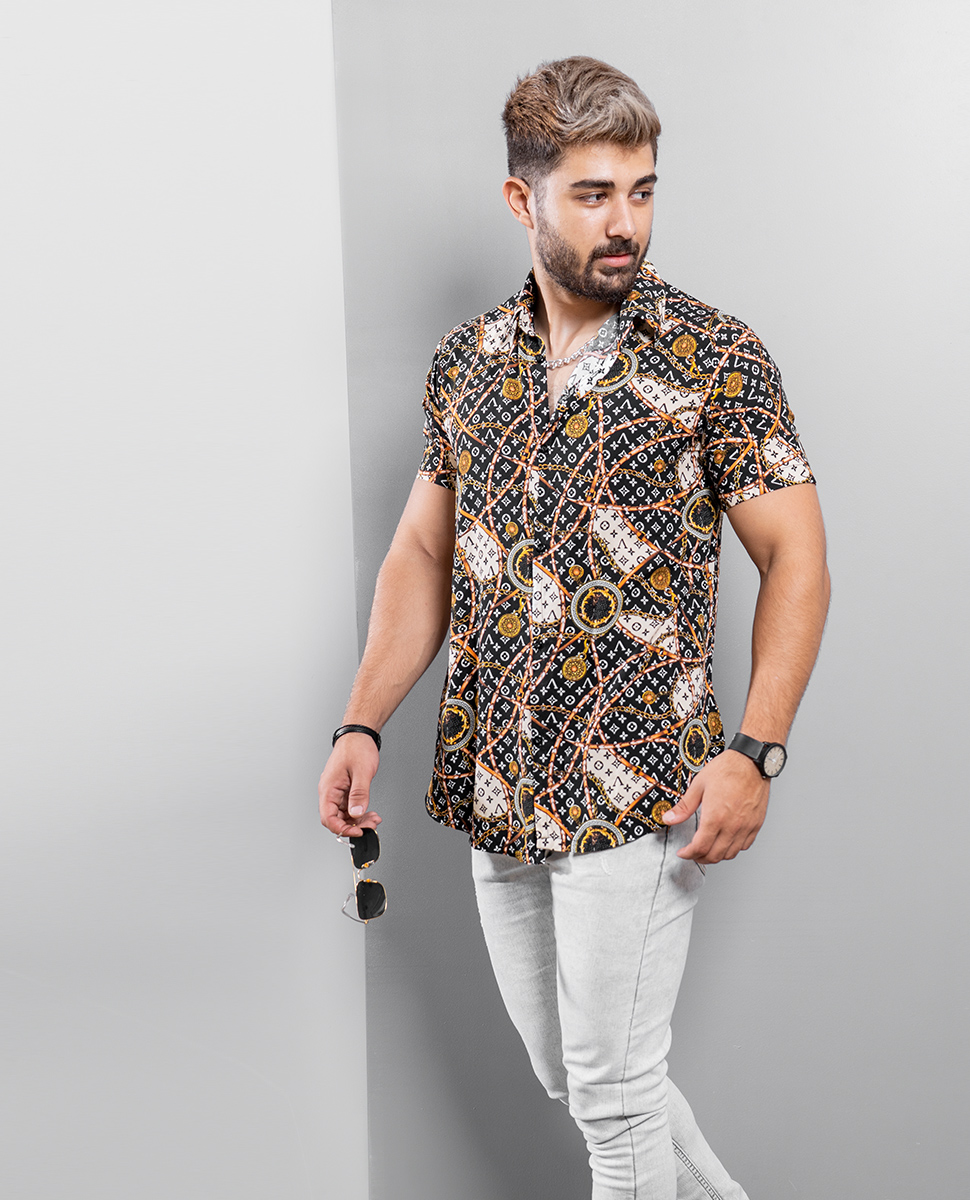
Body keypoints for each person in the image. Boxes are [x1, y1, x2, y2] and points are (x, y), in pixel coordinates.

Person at [319, 56, 831, 1200]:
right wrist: (361, 721)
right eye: (594, 195)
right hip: (499, 783)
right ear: (523, 199)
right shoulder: (468, 365)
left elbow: (796, 556)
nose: (624, 224)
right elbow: (422, 555)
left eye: (641, 191)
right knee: (581, 1079)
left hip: (640, 782)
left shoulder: (713, 357)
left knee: (612, 1095)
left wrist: (755, 751)